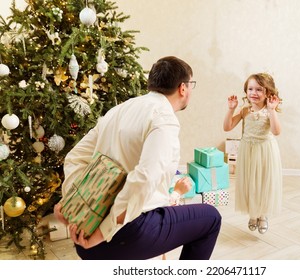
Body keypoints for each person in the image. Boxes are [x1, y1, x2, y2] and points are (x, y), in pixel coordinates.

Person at [54, 56, 222, 260]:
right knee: (211, 218)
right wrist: (103, 233)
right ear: (183, 88)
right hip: (122, 236)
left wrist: (72, 203)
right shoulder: (163, 119)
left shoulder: (118, 110)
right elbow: (144, 177)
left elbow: (74, 158)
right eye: (191, 85)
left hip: (87, 232)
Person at [223, 73, 282, 234]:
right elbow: (227, 127)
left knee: (263, 183)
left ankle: (262, 214)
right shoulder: (245, 111)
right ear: (246, 91)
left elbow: (276, 131)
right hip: (248, 150)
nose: (254, 93)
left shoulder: (269, 111)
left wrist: (272, 111)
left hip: (265, 151)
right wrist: (231, 109)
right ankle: (253, 214)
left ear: (268, 93)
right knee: (250, 183)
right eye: (250, 89)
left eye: (259, 89)